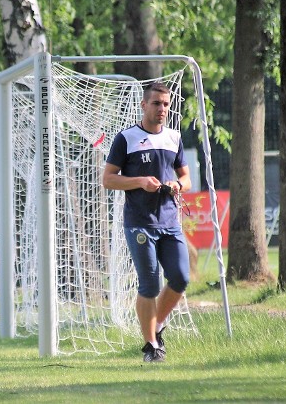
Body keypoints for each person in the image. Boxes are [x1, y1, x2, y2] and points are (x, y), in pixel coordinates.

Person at [102, 82, 191, 363]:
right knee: (150, 284)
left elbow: (186, 178)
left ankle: (157, 324)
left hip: (169, 222)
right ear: (143, 105)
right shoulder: (125, 138)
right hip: (139, 223)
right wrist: (140, 182)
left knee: (180, 277)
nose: (162, 109)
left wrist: (176, 185)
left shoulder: (174, 138)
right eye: (156, 103)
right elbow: (108, 179)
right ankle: (152, 346)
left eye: (166, 104)